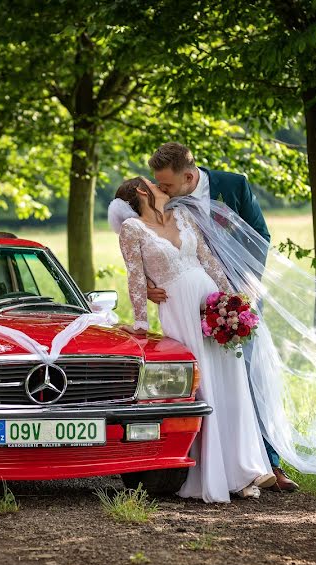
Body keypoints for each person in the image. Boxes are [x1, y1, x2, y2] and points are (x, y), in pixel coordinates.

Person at [112, 176, 276, 503]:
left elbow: (208, 260)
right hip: (178, 310)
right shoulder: (132, 229)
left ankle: (246, 468)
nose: (164, 187)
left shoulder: (184, 218)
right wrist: (141, 323)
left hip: (210, 302)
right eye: (155, 184)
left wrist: (232, 300)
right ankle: (218, 475)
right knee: (206, 387)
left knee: (231, 382)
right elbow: (135, 277)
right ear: (143, 193)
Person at [146, 142, 298, 493]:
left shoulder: (234, 186)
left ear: (188, 176)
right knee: (202, 376)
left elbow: (260, 238)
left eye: (167, 185)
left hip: (237, 297)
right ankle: (206, 465)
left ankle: (269, 463)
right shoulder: (160, 196)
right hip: (189, 300)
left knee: (249, 373)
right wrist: (151, 282)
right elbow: (145, 239)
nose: (161, 190)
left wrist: (240, 292)